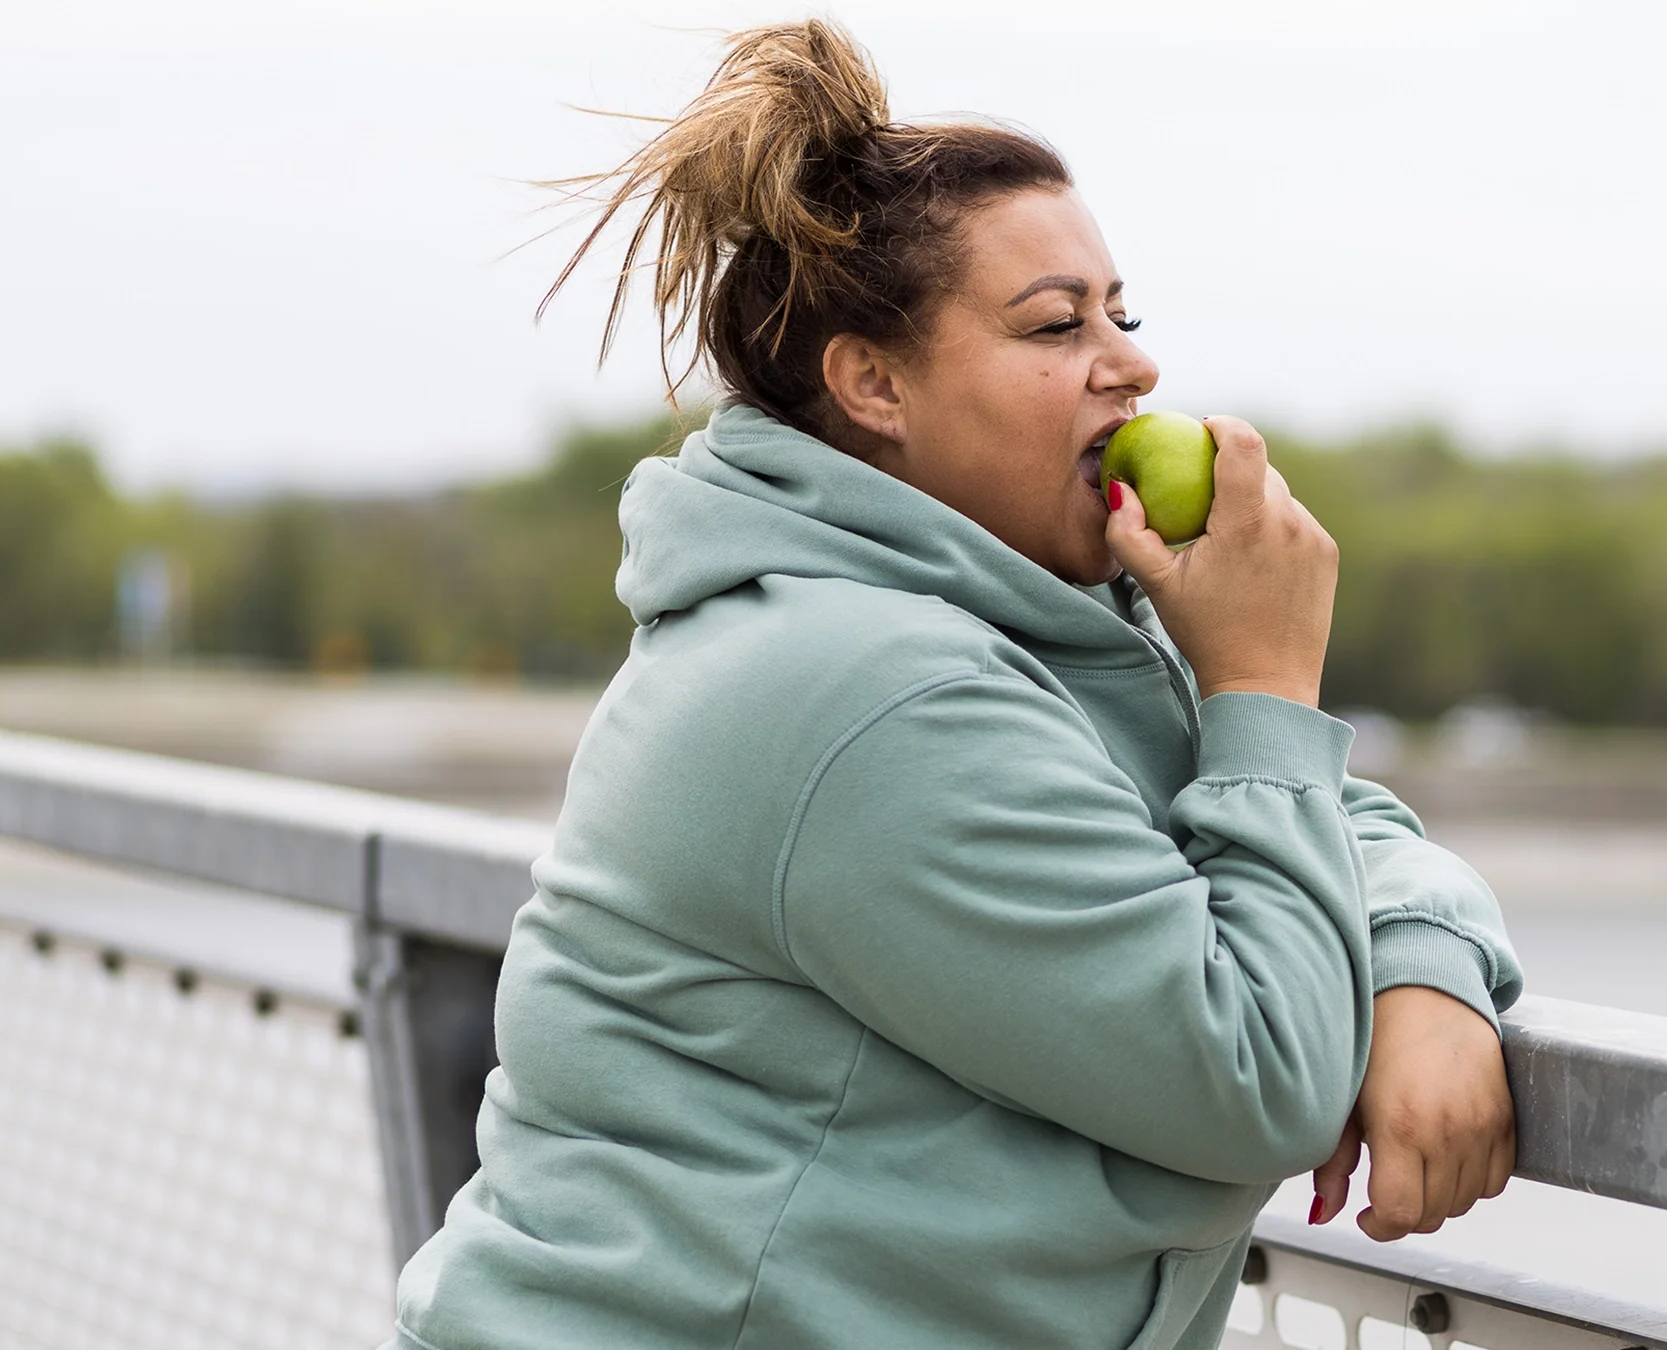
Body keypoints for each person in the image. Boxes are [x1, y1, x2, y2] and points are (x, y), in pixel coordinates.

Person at [386, 20, 1521, 1350]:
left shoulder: (1030, 635)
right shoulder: (860, 689)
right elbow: (1256, 1072)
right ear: (873, 383)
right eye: (1056, 323)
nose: (1134, 363)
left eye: (1124, 314)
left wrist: (1429, 975)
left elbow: (1325, 821)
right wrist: (1265, 675)